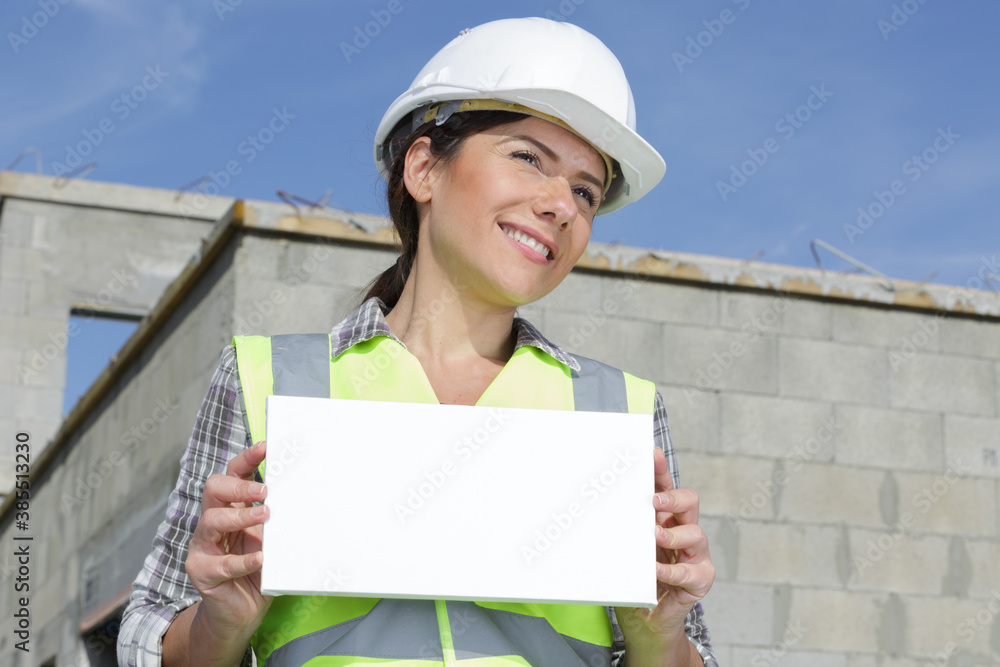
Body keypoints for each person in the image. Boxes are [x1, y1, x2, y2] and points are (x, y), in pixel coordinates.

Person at [119, 17, 716, 667]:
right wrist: (219, 622)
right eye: (528, 158)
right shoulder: (265, 379)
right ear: (425, 167)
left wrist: (662, 637)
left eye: (585, 190)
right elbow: (146, 634)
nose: (561, 205)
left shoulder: (620, 410)